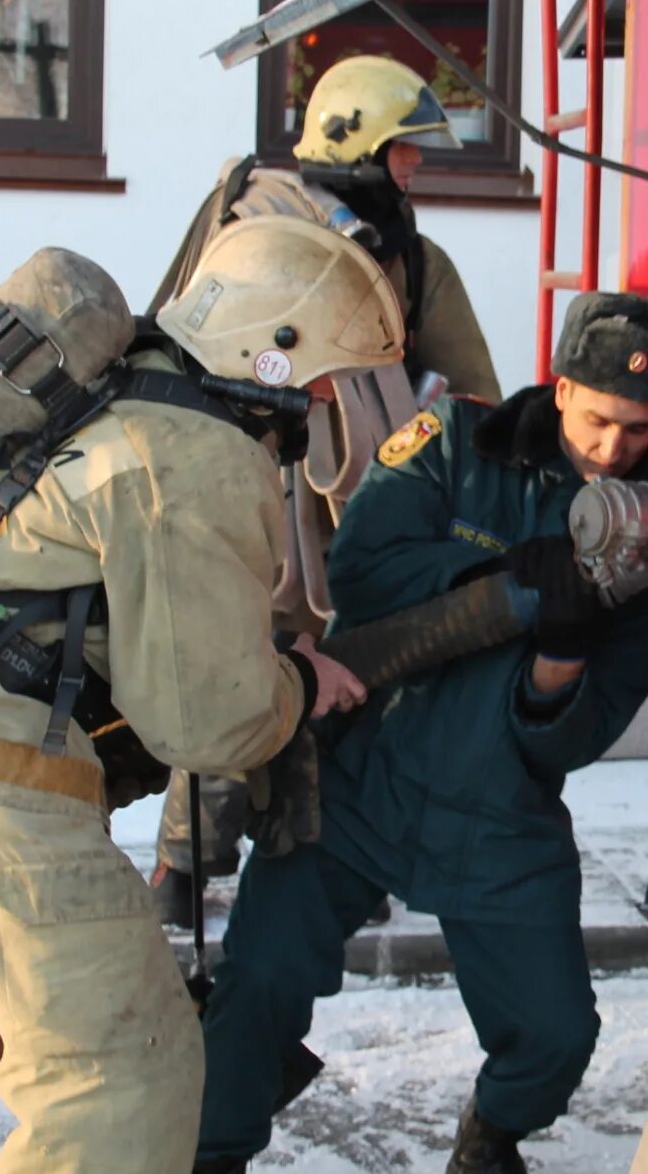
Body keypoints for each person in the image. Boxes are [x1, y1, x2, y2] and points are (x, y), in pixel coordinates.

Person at [0, 217, 388, 1173]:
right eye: (323, 374)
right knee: (121, 1082)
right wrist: (297, 684)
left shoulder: (123, 393)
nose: (322, 399)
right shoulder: (199, 453)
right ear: (272, 350)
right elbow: (207, 720)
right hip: (6, 803)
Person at [193, 293, 648, 1174]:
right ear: (560, 384)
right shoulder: (459, 442)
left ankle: (490, 1135)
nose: (614, 448)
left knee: (555, 1033)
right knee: (257, 985)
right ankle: (210, 1154)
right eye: (598, 419)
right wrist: (498, 572)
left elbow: (565, 744)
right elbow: (361, 566)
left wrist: (562, 658)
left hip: (495, 811)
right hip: (361, 779)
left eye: (638, 428)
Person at [150, 54, 503, 925]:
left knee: (346, 687)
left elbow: (472, 398)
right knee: (231, 676)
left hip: (361, 515)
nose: (416, 170)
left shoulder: (416, 263)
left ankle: (331, 857)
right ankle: (184, 866)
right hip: (247, 497)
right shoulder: (253, 239)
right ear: (361, 148)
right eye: (405, 152)